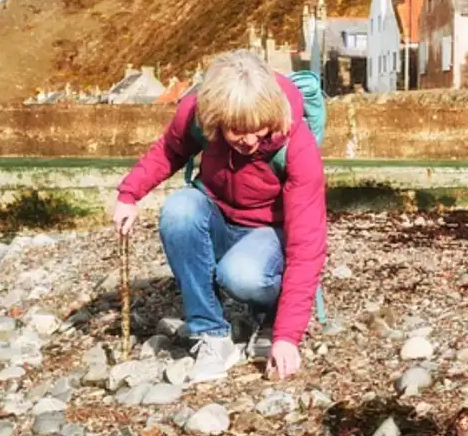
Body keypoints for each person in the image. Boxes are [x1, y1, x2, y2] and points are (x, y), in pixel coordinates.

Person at [112, 50, 327, 383]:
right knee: (179, 210)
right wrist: (129, 194)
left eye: (261, 130)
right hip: (217, 215)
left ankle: (269, 317)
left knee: (240, 274)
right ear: (215, 120)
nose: (251, 141)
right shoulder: (196, 114)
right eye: (238, 132)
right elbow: (170, 150)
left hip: (269, 234)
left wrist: (287, 337)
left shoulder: (296, 148)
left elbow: (307, 243)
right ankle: (211, 335)